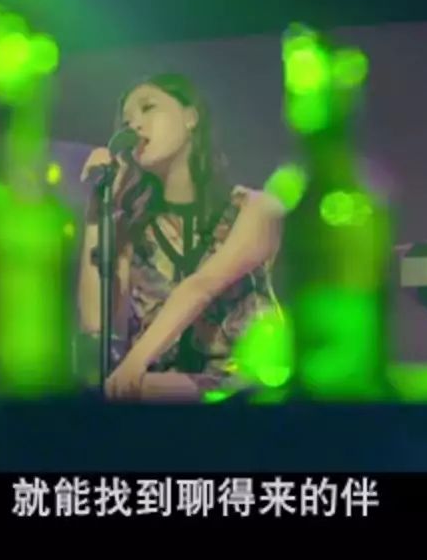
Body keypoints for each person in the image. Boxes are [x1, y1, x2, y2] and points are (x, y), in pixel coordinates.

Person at [77, 73, 285, 402]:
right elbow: (95, 323)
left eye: (148, 108)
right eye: (127, 121)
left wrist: (133, 365)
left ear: (191, 117)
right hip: (160, 388)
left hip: (245, 389)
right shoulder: (132, 227)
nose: (135, 125)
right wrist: (97, 209)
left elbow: (202, 285)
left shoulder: (254, 208)